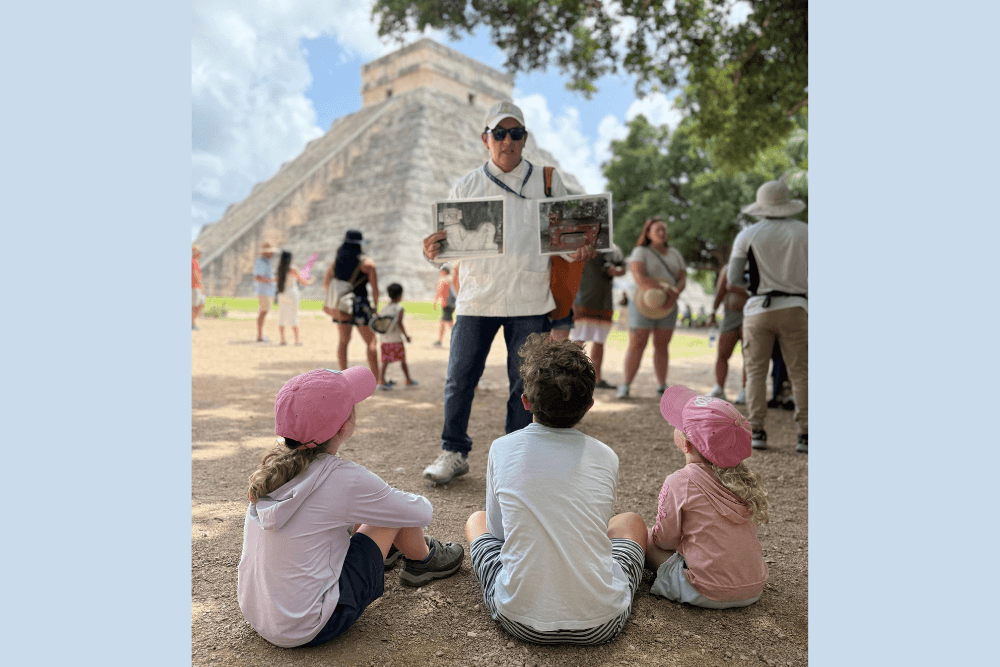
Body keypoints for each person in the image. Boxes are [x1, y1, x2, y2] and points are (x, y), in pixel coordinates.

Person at [420, 101, 595, 484]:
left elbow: (564, 242)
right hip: (476, 299)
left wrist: (579, 249)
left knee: (524, 383)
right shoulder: (467, 185)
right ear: (485, 139)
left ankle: (516, 456)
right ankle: (453, 450)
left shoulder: (547, 180)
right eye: (500, 133)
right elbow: (448, 250)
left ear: (525, 138)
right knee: (459, 378)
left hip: (529, 298)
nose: (508, 141)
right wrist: (433, 253)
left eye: (516, 133)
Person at [237, 367, 465, 649]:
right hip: (312, 625)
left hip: (260, 614)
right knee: (391, 512)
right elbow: (419, 512)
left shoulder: (272, 469)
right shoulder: (342, 478)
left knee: (365, 509)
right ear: (345, 428)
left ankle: (393, 551)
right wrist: (391, 503)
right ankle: (423, 561)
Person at [464, 334, 647, 644]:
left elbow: (498, 532)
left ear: (525, 402)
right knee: (631, 522)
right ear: (589, 406)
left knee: (476, 520)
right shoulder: (606, 456)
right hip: (601, 622)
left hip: (519, 617)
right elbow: (598, 526)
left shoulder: (502, 448)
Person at [647, 385, 769, 609]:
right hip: (753, 588)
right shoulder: (743, 480)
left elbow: (664, 541)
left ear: (687, 443)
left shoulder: (680, 482)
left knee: (644, 535)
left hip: (705, 590)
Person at [727, 180, 808, 453]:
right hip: (797, 307)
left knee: (756, 372)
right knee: (801, 374)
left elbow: (733, 279)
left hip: (759, 308)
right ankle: (806, 434)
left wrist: (754, 287)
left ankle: (758, 430)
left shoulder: (748, 235)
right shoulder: (806, 232)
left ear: (761, 207)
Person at [617, 216, 686, 399]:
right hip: (643, 303)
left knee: (662, 345)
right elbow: (639, 276)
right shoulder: (640, 251)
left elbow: (682, 277)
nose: (662, 233)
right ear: (648, 233)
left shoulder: (674, 253)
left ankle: (662, 385)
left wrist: (675, 294)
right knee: (637, 343)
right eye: (657, 230)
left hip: (669, 305)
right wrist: (663, 289)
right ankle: (625, 384)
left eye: (664, 229)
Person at [569, 243, 627, 389]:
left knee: (599, 340)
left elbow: (622, 267)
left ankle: (597, 379)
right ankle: (571, 377)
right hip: (582, 298)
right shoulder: (577, 243)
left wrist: (617, 270)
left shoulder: (613, 248)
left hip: (604, 301)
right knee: (578, 340)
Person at [324, 229, 380, 377]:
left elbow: (326, 285)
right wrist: (375, 307)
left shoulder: (335, 263)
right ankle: (377, 379)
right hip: (361, 304)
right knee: (371, 342)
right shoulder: (367, 264)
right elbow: (375, 290)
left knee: (343, 341)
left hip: (342, 304)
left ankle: (342, 376)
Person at [708, 262, 748, 403]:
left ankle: (745, 390)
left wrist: (736, 289)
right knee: (722, 353)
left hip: (749, 315)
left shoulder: (759, 265)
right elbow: (721, 291)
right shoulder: (729, 267)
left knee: (748, 355)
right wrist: (713, 312)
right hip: (730, 315)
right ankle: (719, 388)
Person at [377, 283, 418, 390]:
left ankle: (381, 381)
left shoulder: (384, 308)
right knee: (402, 360)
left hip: (385, 339)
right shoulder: (399, 309)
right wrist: (406, 336)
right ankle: (408, 379)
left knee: (385, 361)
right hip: (396, 339)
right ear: (400, 295)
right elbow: (400, 324)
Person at [275, 251, 315, 346]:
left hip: (282, 293)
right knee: (293, 315)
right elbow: (301, 281)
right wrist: (311, 281)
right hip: (292, 293)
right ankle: (296, 340)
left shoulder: (279, 269)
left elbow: (277, 281)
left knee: (282, 315)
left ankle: (283, 340)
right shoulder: (293, 268)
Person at [253, 241, 277, 342]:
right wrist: (272, 280)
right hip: (263, 291)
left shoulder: (267, 262)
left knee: (264, 311)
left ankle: (260, 335)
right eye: (270, 252)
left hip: (267, 291)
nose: (272, 254)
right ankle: (259, 335)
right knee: (263, 312)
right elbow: (258, 277)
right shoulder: (260, 262)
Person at [432, 266, 456, 347]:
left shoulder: (444, 280)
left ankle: (458, 340)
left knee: (450, 323)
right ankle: (440, 340)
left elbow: (441, 291)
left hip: (447, 304)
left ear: (444, 272)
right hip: (452, 303)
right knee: (444, 322)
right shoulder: (450, 279)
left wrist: (438, 302)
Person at [192, 244, 205, 330]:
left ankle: (192, 322)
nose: (201, 254)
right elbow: (195, 275)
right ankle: (191, 323)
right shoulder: (193, 262)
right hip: (195, 286)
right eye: (199, 252)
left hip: (197, 286)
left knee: (200, 304)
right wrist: (201, 286)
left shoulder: (196, 262)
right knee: (195, 305)